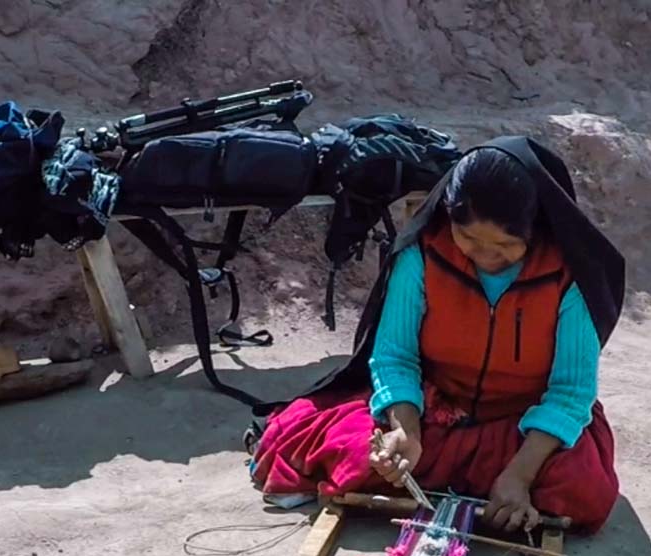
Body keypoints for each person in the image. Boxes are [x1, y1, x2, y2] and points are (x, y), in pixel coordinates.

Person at [250, 137, 625, 532]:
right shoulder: (423, 256)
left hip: (522, 424)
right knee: (347, 448)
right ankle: (478, 488)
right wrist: (405, 433)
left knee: (585, 492)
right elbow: (396, 357)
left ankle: (503, 485)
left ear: (536, 229)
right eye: (469, 240)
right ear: (449, 218)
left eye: (505, 245)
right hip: (435, 411)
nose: (485, 256)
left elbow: (570, 392)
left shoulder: (567, 278)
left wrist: (520, 475)